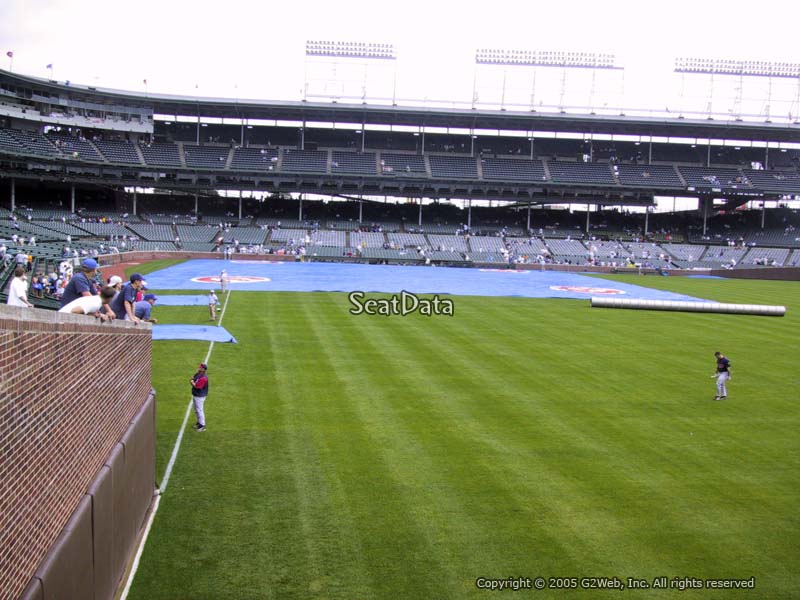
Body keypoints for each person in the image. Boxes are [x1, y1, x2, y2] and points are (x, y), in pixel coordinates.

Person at [190, 363, 209, 431]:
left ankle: (202, 425)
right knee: (196, 410)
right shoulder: (198, 374)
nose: (199, 368)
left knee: (199, 410)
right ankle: (199, 423)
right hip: (196, 395)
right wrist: (192, 381)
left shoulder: (204, 378)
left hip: (200, 396)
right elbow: (192, 379)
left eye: (200, 367)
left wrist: (192, 382)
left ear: (203, 369)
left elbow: (197, 386)